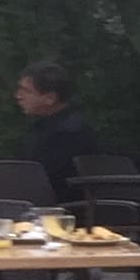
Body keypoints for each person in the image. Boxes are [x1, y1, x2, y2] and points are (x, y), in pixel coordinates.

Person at [12, 64, 105, 196]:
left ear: (50, 98)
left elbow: (40, 181)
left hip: (62, 206)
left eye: (26, 91)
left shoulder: (69, 133)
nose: (18, 96)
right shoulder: (42, 127)